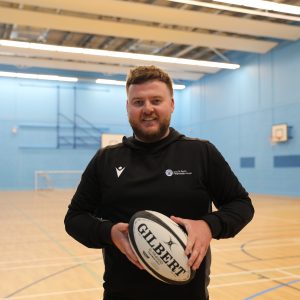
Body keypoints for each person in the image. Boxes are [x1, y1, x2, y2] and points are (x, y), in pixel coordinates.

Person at [64, 65, 254, 300]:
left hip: (188, 294)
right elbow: (75, 218)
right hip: (121, 293)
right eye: (138, 102)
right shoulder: (106, 159)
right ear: (127, 107)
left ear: (171, 104)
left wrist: (209, 225)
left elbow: (241, 204)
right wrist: (109, 232)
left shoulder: (201, 153)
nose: (148, 109)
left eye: (156, 100)